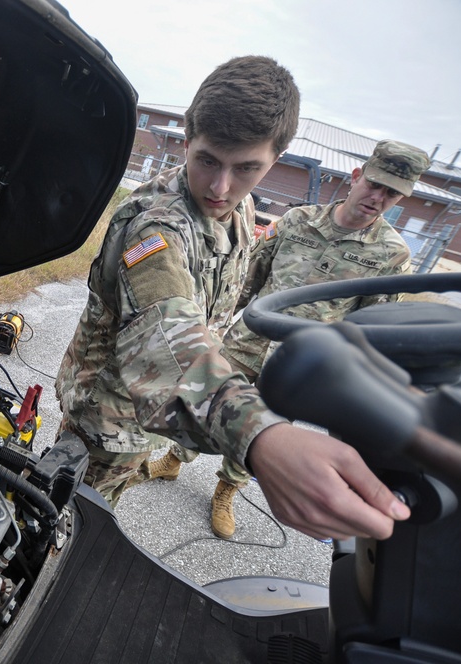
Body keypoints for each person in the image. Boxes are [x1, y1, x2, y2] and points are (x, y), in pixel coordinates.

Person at [54, 55, 411, 543]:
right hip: (107, 422)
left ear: (275, 160)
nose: (221, 187)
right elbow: (168, 343)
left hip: (152, 418)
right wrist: (263, 438)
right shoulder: (156, 225)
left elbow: (230, 292)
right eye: (207, 161)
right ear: (187, 139)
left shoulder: (242, 211)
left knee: (88, 525)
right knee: (61, 527)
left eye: (246, 168)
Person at [145, 140, 432, 539]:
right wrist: (216, 321)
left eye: (392, 193)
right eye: (375, 184)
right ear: (356, 177)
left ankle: (226, 491)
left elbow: (370, 327)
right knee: (206, 399)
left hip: (301, 365)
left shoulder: (391, 255)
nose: (378, 198)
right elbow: (249, 276)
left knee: (264, 428)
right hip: (247, 341)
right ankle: (175, 458)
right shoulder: (299, 220)